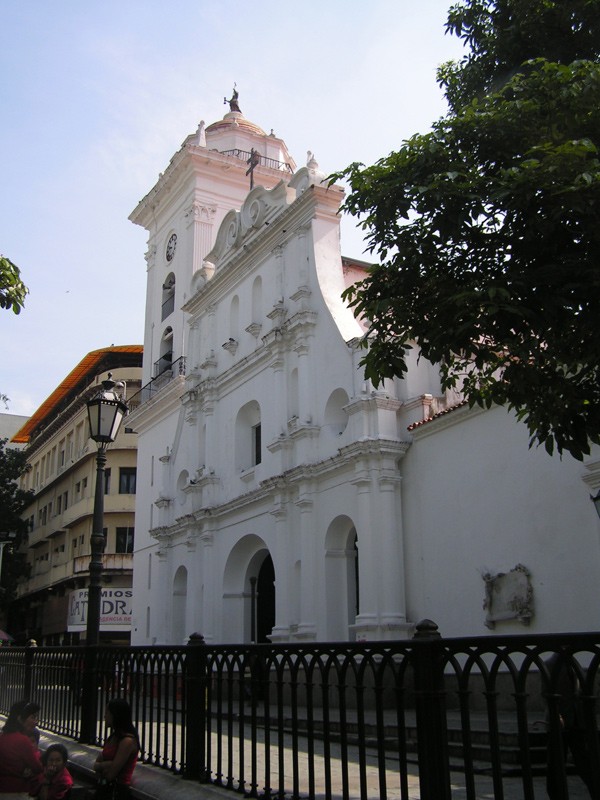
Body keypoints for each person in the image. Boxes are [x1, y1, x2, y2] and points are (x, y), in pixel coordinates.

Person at [93, 699, 139, 800]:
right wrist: (106, 764)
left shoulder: (127, 741)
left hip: (118, 791)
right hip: (104, 788)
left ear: (116, 715)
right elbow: (97, 763)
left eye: (107, 713)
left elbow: (111, 774)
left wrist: (103, 765)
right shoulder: (113, 738)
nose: (105, 717)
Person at [0, 700, 43, 796]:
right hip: (17, 791)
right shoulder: (22, 740)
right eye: (33, 717)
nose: (36, 722)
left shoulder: (2, 737)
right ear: (20, 719)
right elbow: (37, 767)